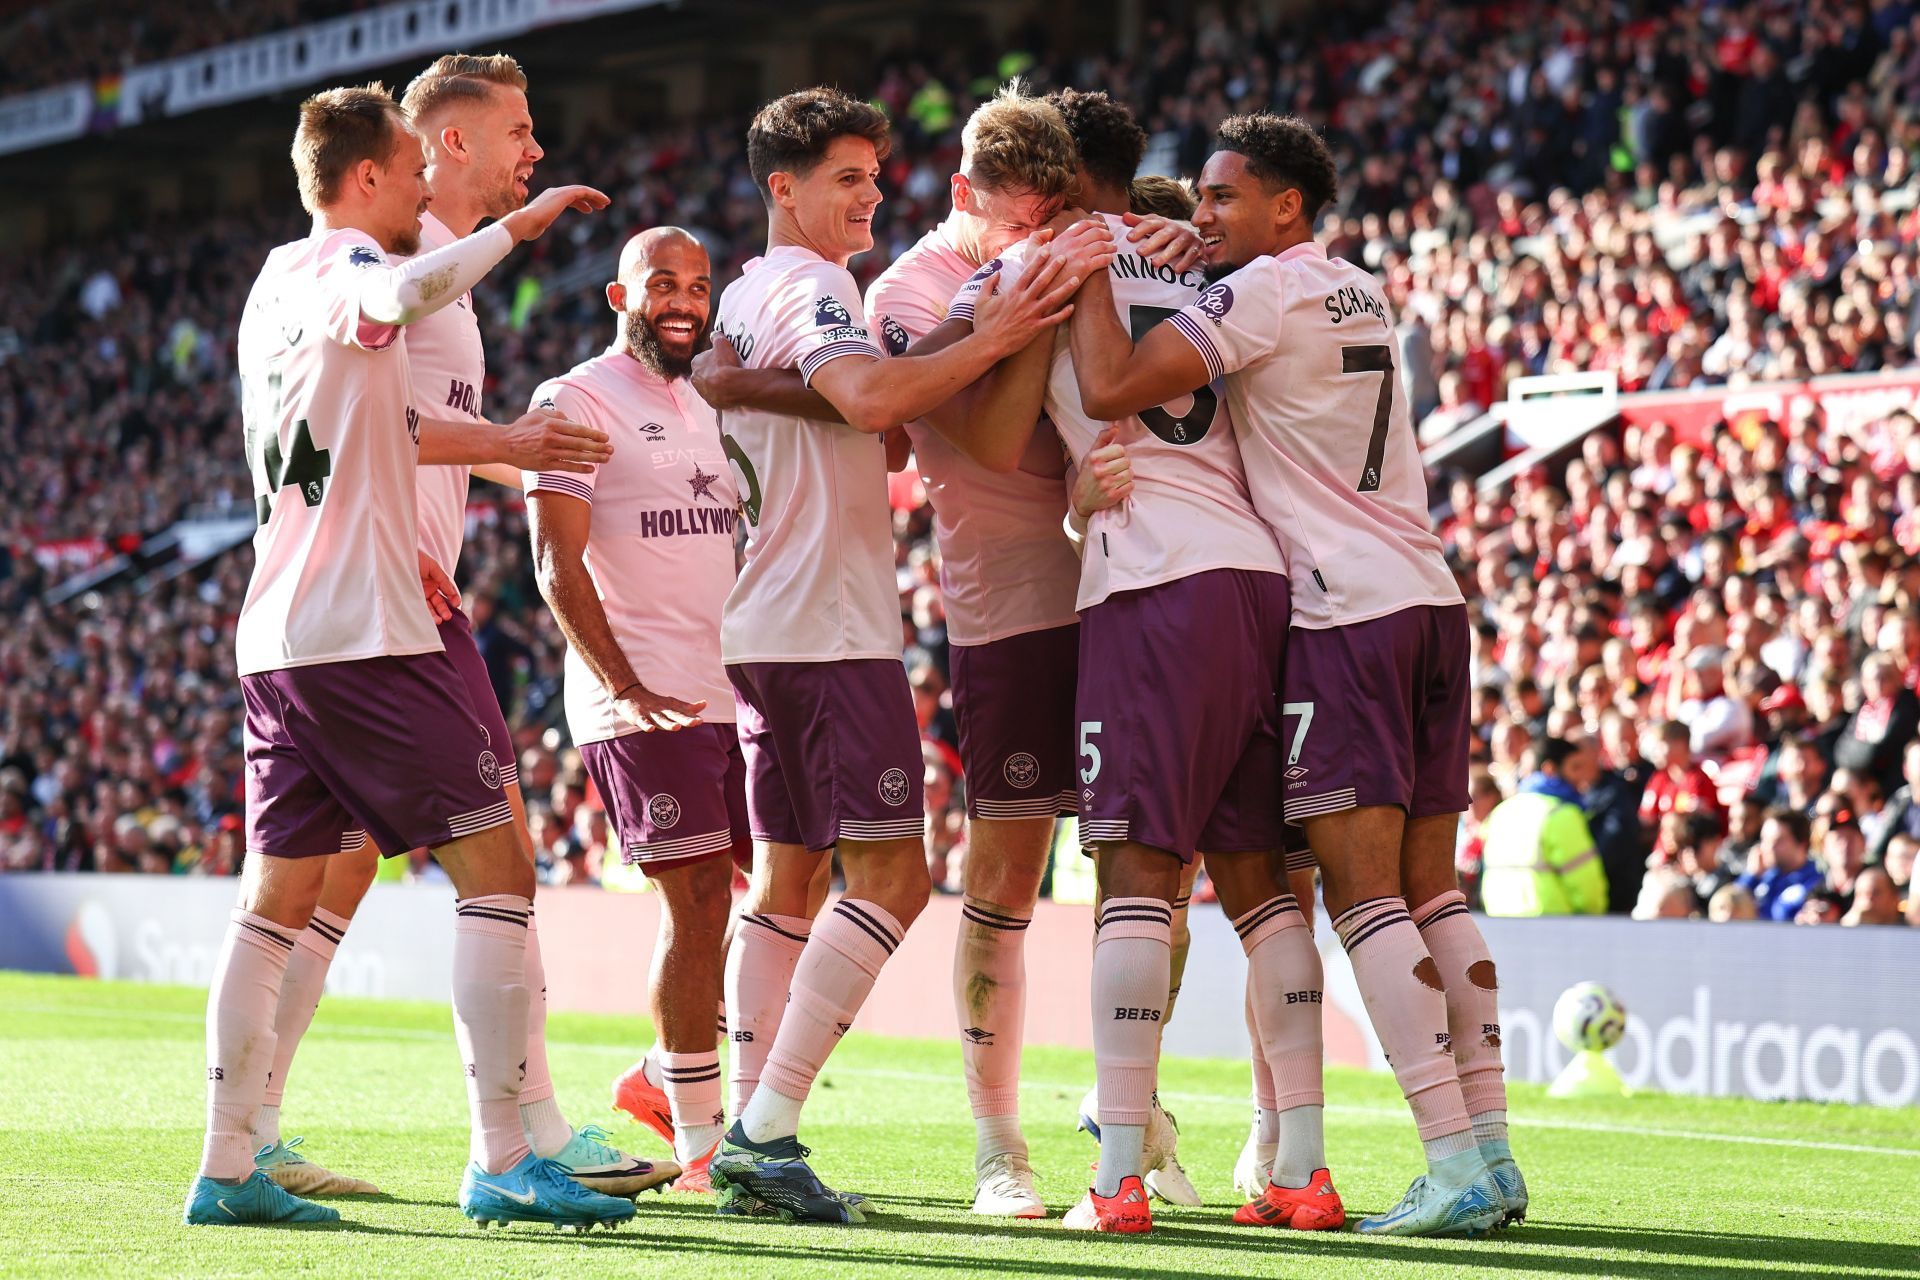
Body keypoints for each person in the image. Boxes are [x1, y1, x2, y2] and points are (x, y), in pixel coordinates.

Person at [186, 82, 632, 1231]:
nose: (428, 188)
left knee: (277, 897)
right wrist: (509, 236)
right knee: (500, 869)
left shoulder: (270, 283)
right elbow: (391, 295)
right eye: (414, 171)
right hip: (371, 624)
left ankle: (229, 1159)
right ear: (374, 176)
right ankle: (505, 1153)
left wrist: (498, 458)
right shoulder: (352, 271)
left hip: (279, 631)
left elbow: (370, 422)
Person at [1061, 113, 1516, 1237]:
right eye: (1199, 199)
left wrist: (1085, 260)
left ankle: (1452, 1158)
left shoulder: (1262, 292)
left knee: (1363, 893)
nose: (1205, 217)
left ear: (1287, 209)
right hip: (1428, 596)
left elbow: (1116, 381)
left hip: (1341, 612)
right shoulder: (1357, 286)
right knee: (1431, 889)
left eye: (1223, 199)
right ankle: (1492, 1150)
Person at [702, 87, 1078, 1224]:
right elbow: (872, 397)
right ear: (784, 187)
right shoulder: (817, 287)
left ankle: (730, 1121)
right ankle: (763, 1132)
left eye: (875, 175)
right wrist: (1007, 329)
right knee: (896, 878)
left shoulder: (748, 291)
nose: (871, 193)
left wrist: (734, 380)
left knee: (790, 884)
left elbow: (849, 408)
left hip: (770, 619)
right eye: (846, 177)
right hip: (828, 624)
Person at [943, 197, 1336, 1237]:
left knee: (1134, 876)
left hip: (1152, 585)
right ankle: (1301, 1166)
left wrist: (1075, 493)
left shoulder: (1044, 265)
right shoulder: (1216, 281)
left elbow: (967, 417)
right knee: (1262, 887)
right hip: (1261, 579)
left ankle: (1117, 1175)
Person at [522, 226, 749, 1193]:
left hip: (742, 689)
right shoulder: (572, 398)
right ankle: (704, 1146)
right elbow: (553, 560)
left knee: (793, 892)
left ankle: (660, 1073)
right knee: (697, 903)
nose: (684, 301)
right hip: (644, 702)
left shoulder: (720, 396)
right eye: (662, 284)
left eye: (699, 285)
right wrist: (624, 685)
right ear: (620, 298)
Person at [1479, 738, 1609, 916]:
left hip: (1501, 922)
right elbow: (1586, 886)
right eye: (1574, 767)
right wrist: (1592, 916)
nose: (1581, 777)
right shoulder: (1562, 814)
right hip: (1554, 927)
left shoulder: (1500, 812)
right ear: (1550, 769)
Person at [1740, 809, 1826, 922]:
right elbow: (1730, 906)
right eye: (1765, 840)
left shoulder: (1816, 883)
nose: (1768, 847)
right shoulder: (1762, 878)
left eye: (1778, 841)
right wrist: (1751, 877)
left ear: (1802, 844)